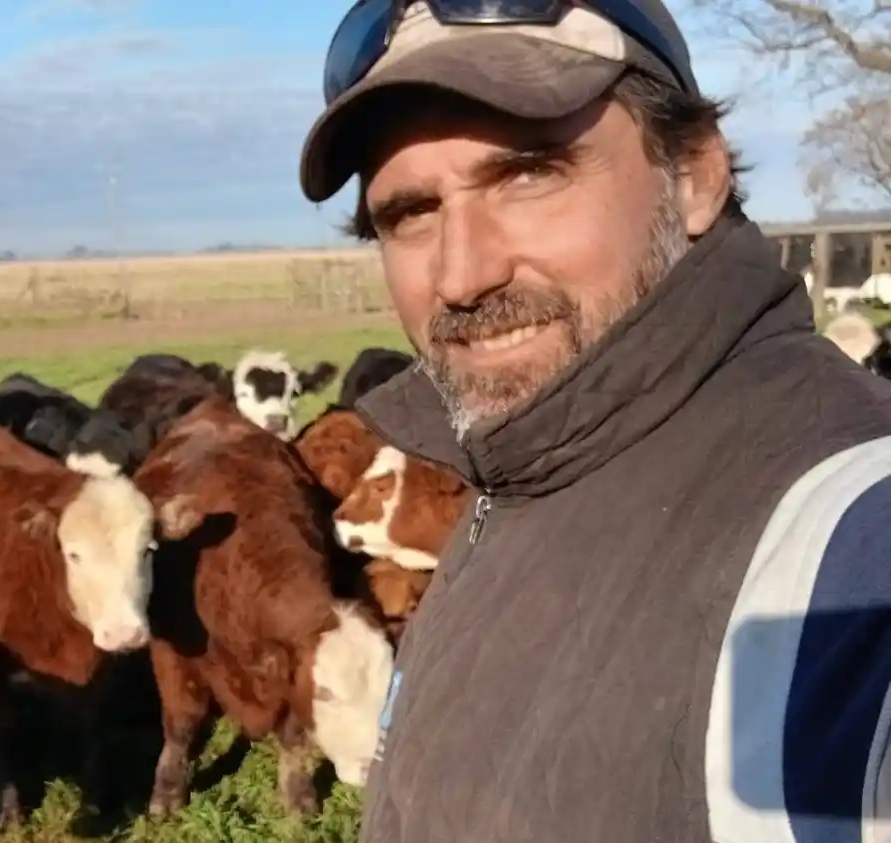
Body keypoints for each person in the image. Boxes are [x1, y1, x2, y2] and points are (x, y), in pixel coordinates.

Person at [297, 1, 891, 841]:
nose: (463, 275)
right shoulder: (519, 468)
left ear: (692, 176)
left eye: (529, 175)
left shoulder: (848, 534)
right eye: (411, 214)